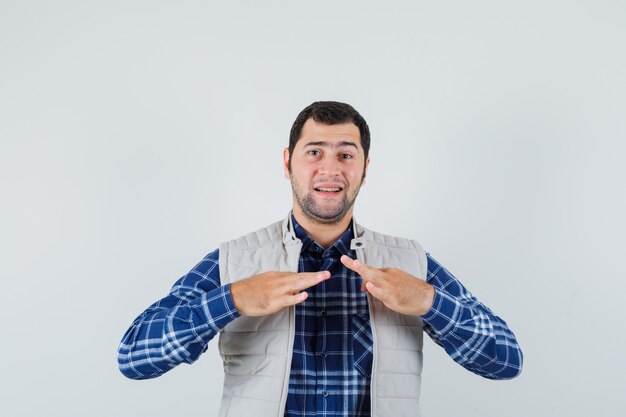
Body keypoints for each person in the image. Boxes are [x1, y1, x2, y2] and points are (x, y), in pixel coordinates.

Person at [118, 101, 523, 417]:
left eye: (346, 155)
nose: (330, 168)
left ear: (365, 169)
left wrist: (431, 303)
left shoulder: (410, 262)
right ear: (287, 163)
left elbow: (506, 360)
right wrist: (233, 299)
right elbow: (134, 356)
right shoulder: (233, 260)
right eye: (314, 152)